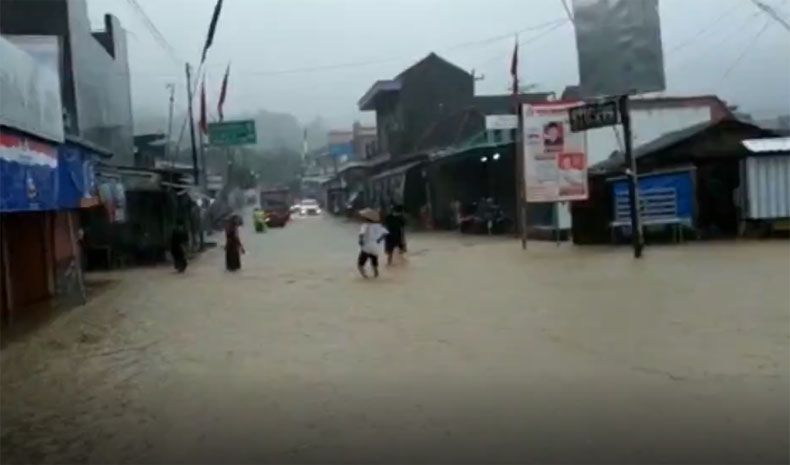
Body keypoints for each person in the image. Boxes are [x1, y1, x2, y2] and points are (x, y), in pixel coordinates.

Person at [357, 208, 388, 278]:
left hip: (367, 246)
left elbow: (361, 234)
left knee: (360, 265)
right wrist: (379, 240)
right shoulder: (379, 226)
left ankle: (365, 276)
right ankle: (376, 274)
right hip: (375, 246)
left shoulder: (365, 225)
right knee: (374, 262)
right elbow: (385, 233)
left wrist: (360, 241)